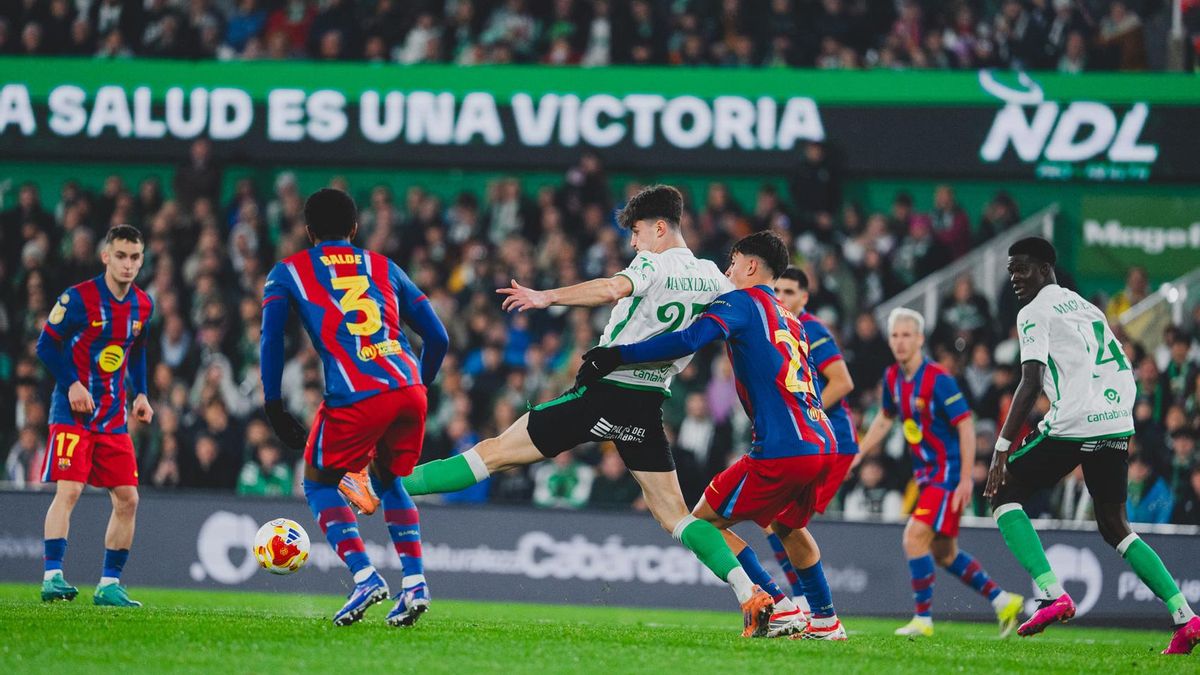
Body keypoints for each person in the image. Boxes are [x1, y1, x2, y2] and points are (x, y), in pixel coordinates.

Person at [399, 185, 779, 637]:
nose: (634, 243)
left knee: (494, 452)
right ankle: (749, 593)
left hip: (605, 391)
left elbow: (610, 287)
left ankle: (384, 483)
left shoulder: (653, 263)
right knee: (677, 517)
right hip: (649, 403)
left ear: (660, 228)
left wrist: (547, 296)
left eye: (637, 233)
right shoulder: (717, 279)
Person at [579, 231, 850, 641]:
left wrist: (619, 354)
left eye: (733, 262)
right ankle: (827, 621)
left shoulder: (741, 301)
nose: (727, 271)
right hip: (822, 441)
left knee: (702, 522)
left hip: (781, 448)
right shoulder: (789, 315)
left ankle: (776, 605)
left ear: (751, 266)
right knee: (787, 526)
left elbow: (690, 339)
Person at [984, 237, 1199, 655]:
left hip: (1076, 420)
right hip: (1116, 419)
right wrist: (1122, 413)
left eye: (1022, 268)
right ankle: (1186, 618)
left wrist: (1002, 447)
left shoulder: (1034, 312)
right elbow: (1121, 362)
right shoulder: (1087, 307)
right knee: (1115, 525)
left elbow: (1030, 381)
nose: (1014, 278)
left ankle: (1050, 593)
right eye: (1010, 270)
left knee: (1002, 491)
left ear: (1046, 269)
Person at [259, 188, 449, 627]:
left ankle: (365, 577)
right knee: (390, 480)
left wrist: (273, 404)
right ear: (355, 229)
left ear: (308, 233)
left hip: (355, 393)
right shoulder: (384, 266)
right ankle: (415, 583)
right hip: (407, 384)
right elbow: (438, 338)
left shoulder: (286, 273)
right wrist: (419, 384)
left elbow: (270, 340)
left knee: (318, 482)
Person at [858, 307, 1022, 638]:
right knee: (944, 553)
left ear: (919, 339)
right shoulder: (892, 378)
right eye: (895, 335)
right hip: (925, 477)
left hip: (946, 475)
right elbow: (885, 419)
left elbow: (965, 426)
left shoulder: (938, 379)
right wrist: (859, 453)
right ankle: (1004, 600)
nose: (900, 342)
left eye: (907, 335)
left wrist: (964, 478)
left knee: (913, 537)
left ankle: (923, 619)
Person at [35, 225, 155, 607]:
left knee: (128, 498)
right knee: (69, 489)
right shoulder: (78, 299)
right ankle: (53, 576)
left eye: (135, 257)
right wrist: (72, 384)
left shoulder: (143, 305)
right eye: (121, 256)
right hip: (72, 414)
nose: (128, 264)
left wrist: (141, 393)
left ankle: (108, 585)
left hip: (112, 417)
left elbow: (135, 351)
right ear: (106, 256)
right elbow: (46, 346)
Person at [758, 267, 859, 622]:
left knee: (780, 519)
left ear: (804, 297)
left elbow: (842, 382)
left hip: (833, 441)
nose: (782, 297)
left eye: (789, 292)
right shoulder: (779, 328)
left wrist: (808, 413)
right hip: (809, 441)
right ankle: (807, 602)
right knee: (776, 519)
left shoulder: (812, 329)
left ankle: (807, 603)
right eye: (778, 290)